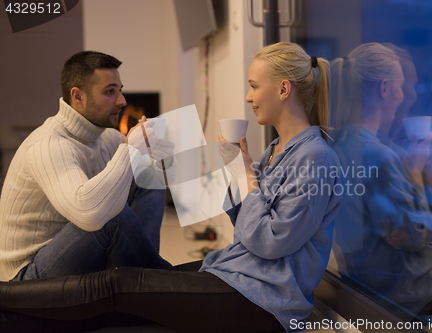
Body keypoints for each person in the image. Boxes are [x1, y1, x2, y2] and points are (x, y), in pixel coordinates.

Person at [0, 42, 342, 333]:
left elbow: (268, 240)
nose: (248, 96)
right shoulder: (276, 149)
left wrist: (244, 177)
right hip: (242, 275)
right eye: (110, 91)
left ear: (283, 90)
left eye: (254, 86)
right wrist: (232, 171)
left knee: (118, 285)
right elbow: (249, 227)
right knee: (128, 286)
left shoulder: (314, 158)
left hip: (264, 298)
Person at [0, 51, 175, 282]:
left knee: (148, 172)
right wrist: (130, 149)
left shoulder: (105, 138)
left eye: (120, 90)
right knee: (110, 214)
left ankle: (141, 278)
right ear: (78, 96)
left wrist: (161, 158)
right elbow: (90, 214)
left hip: (69, 250)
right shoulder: (49, 144)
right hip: (27, 275)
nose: (122, 100)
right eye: (110, 91)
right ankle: (159, 281)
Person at [330, 43, 432, 314]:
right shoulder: (379, 155)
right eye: (401, 87)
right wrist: (417, 171)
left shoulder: (339, 144)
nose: (403, 97)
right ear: (386, 88)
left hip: (361, 279)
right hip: (398, 287)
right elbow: (414, 235)